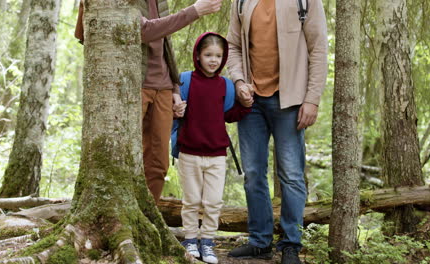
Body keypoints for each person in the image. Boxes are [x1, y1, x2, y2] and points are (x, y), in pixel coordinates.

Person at [74, 0, 223, 203]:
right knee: (124, 159)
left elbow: (165, 42)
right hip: (135, 84)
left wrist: (175, 88)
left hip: (163, 88)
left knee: (158, 163)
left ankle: (146, 217)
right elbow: (143, 31)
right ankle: (120, 214)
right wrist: (195, 11)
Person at [225, 0, 328, 263]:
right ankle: (260, 242)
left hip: (291, 100)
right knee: (253, 174)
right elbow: (234, 47)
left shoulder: (304, 1)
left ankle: (291, 244)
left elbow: (318, 49)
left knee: (292, 176)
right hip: (251, 102)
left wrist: (312, 99)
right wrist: (238, 81)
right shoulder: (241, 2)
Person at [174, 32, 250, 264]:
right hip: (189, 153)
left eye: (218, 55)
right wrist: (174, 110)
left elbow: (228, 115)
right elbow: (174, 113)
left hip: (217, 155)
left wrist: (246, 106)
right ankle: (189, 239)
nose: (213, 60)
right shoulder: (185, 81)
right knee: (191, 201)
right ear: (198, 55)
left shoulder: (225, 86)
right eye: (208, 55)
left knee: (213, 202)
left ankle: (207, 242)